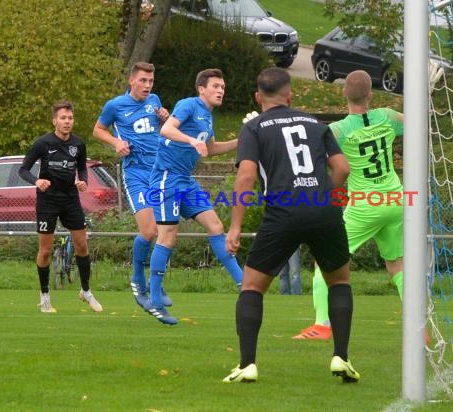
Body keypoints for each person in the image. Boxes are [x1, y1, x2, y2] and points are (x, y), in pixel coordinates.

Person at [223, 67, 360, 383]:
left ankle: (247, 365)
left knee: (252, 286)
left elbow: (245, 176)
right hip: (322, 209)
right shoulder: (315, 123)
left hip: (283, 212)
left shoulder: (254, 127)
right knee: (338, 282)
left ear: (258, 97)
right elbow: (341, 168)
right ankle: (341, 357)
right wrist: (331, 199)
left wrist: (235, 227)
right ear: (291, 95)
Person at [293, 70, 405, 341]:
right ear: (371, 95)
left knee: (326, 262)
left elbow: (313, 155)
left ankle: (322, 325)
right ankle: (419, 326)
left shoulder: (339, 130)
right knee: (398, 265)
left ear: (343, 92)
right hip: (396, 199)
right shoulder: (388, 117)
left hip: (365, 204)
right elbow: (417, 125)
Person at [145, 68, 243, 325]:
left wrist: (241, 140)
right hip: (166, 178)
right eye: (215, 86)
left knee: (216, 226)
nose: (221, 90)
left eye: (223, 86)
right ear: (202, 89)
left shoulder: (208, 117)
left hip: (185, 180)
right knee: (167, 236)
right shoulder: (189, 104)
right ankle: (154, 299)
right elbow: (166, 130)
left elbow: (210, 150)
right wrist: (190, 140)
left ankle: (244, 285)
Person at [93, 61, 172, 309]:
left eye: (150, 81)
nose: (148, 86)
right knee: (149, 231)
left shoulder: (155, 101)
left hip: (158, 172)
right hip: (135, 173)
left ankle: (156, 285)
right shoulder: (115, 106)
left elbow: (163, 128)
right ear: (132, 81)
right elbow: (98, 130)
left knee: (164, 233)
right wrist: (116, 142)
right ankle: (138, 278)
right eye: (143, 81)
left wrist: (165, 118)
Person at [19, 100, 103, 313]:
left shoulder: (78, 144)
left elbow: (82, 168)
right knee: (45, 250)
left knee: (82, 245)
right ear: (55, 120)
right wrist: (36, 181)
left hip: (70, 200)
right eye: (63, 118)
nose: (67, 122)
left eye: (70, 118)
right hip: (48, 201)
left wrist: (82, 180)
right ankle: (45, 296)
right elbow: (24, 169)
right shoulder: (43, 143)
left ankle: (85, 291)